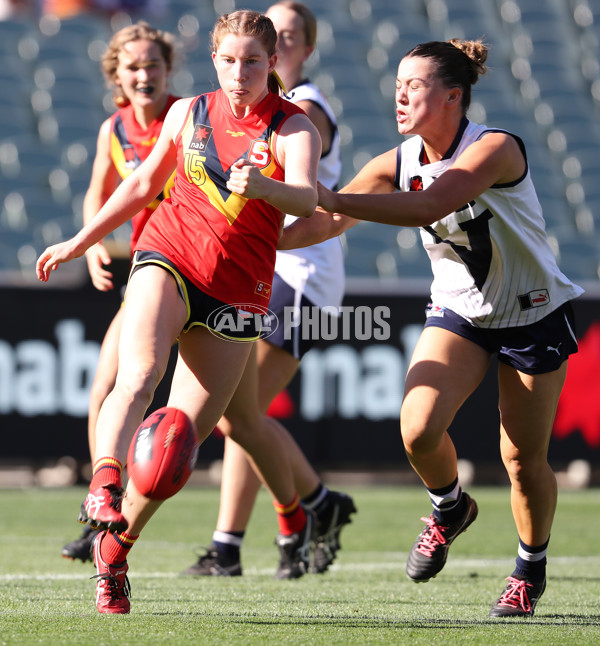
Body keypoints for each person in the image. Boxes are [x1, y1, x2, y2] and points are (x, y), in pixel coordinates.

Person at [280, 39, 583, 618]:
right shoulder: (398, 159)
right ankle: (450, 509)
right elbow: (326, 222)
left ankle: (529, 569)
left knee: (521, 460)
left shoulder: (495, 148)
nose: (399, 93)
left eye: (414, 84)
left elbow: (425, 206)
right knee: (417, 429)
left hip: (532, 312)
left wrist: (327, 194)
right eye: (398, 81)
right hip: (463, 310)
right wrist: (257, 237)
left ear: (453, 96)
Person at [37, 9, 322, 614]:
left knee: (175, 449)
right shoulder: (187, 111)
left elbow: (305, 195)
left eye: (252, 61)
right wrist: (81, 240)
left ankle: (113, 554)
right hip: (168, 255)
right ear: (213, 60)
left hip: (240, 292)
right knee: (136, 376)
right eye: (227, 60)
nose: (238, 72)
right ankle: (103, 484)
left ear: (272, 63)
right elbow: (141, 186)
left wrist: (265, 187)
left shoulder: (294, 128)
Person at [180, 0, 355, 581]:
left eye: (285, 36)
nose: (270, 47)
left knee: (239, 413)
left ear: (297, 51)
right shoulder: (243, 107)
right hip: (263, 268)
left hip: (301, 272)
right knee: (238, 413)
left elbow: (304, 175)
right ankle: (313, 507)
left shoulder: (303, 110)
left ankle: (236, 541)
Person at [60, 21, 180, 563]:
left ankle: (307, 506)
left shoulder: (187, 118)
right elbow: (97, 193)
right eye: (133, 66)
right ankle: (100, 506)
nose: (144, 74)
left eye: (153, 64)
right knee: (106, 384)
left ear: (167, 70)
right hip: (147, 273)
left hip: (193, 271)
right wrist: (92, 248)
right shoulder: (115, 128)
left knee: (241, 420)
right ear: (117, 75)